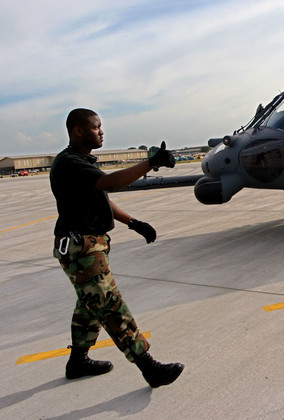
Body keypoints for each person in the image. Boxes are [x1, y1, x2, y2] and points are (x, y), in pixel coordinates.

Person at [50, 108, 184, 388]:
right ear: (78, 129)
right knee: (110, 305)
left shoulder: (80, 162)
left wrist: (133, 222)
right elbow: (109, 183)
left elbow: (99, 197)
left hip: (88, 246)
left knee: (90, 306)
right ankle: (149, 368)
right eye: (96, 127)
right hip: (81, 249)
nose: (101, 131)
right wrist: (151, 163)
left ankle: (77, 361)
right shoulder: (70, 162)